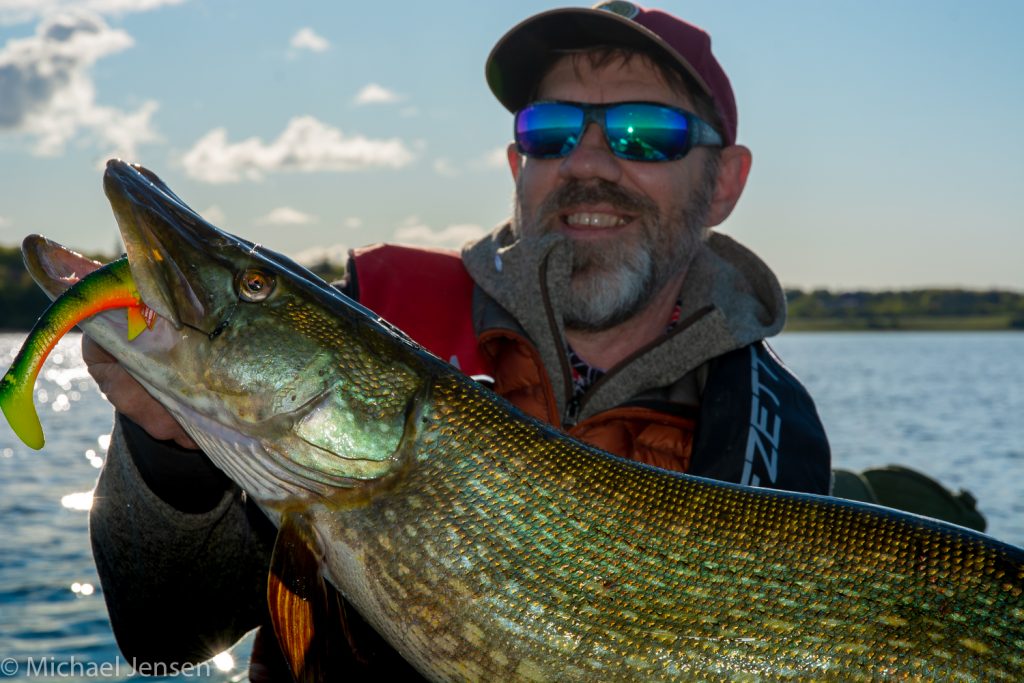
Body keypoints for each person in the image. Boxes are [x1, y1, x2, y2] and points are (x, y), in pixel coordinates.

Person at [84, 2, 831, 679]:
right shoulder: (381, 318)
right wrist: (169, 458)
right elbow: (165, 633)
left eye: (648, 133)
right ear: (519, 165)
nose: (590, 162)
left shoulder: (777, 434)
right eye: (552, 131)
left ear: (725, 182)